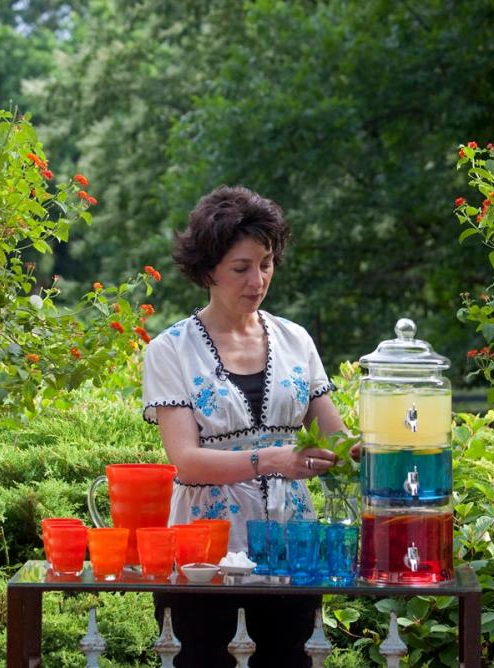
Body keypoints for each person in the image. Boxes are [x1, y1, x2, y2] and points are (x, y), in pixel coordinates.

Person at [142, 185, 351, 667]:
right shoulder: (170, 350)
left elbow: (336, 438)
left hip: (290, 548)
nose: (257, 280)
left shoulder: (296, 340)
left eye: (266, 263)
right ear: (207, 269)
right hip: (203, 554)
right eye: (241, 268)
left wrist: (376, 445)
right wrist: (273, 459)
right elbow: (187, 463)